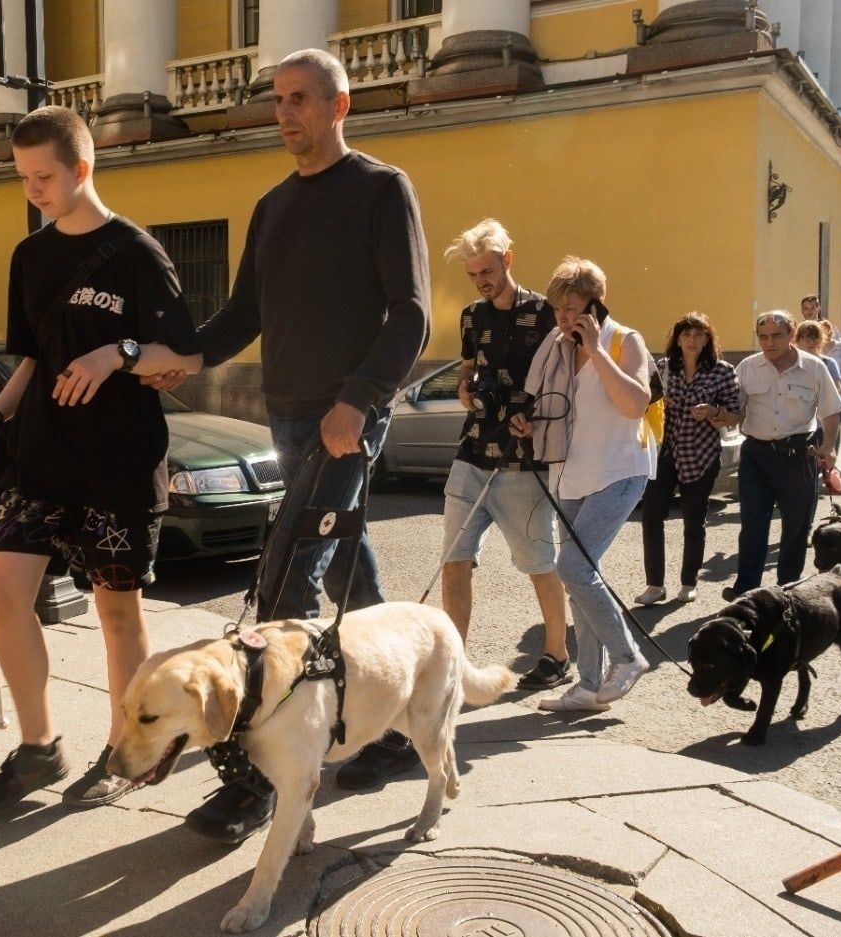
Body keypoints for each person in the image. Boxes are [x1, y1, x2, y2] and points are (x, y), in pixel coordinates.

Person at [156, 49, 430, 842]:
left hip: (343, 419)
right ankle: (403, 717)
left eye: (301, 98)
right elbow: (242, 314)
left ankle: (258, 781)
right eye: (277, 100)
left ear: (340, 106)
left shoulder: (383, 189)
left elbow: (410, 315)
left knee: (283, 584)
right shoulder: (272, 206)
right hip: (286, 412)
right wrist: (183, 357)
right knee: (348, 560)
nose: (286, 113)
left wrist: (355, 402)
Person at [0, 105, 202, 812]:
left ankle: (127, 750)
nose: (33, 190)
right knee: (4, 586)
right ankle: (39, 748)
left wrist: (119, 352)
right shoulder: (28, 257)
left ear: (82, 168)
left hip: (116, 461)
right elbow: (31, 358)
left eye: (44, 176)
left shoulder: (136, 251)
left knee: (116, 612)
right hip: (40, 455)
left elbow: (184, 354)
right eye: (23, 178)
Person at [511, 257, 656, 713]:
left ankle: (628, 657)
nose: (566, 319)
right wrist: (528, 425)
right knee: (579, 576)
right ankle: (590, 685)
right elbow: (553, 410)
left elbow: (635, 404)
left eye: (574, 308)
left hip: (619, 469)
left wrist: (595, 350)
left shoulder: (623, 340)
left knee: (572, 568)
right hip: (569, 473)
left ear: (597, 304)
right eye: (559, 310)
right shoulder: (554, 347)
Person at [439, 220, 570, 690]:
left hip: (523, 461)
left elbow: (565, 383)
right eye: (473, 274)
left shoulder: (545, 313)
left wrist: (538, 422)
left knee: (538, 563)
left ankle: (556, 655)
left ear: (508, 259)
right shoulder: (472, 316)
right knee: (454, 560)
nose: (481, 281)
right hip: (472, 450)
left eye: (488, 270)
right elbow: (468, 369)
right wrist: (464, 390)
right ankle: (452, 665)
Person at [718, 311, 841, 598]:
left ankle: (788, 589)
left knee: (796, 527)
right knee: (752, 524)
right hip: (756, 457)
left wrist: (829, 447)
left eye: (776, 336)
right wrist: (718, 414)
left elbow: (831, 411)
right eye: (763, 337)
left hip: (798, 455)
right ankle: (746, 588)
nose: (769, 342)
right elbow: (735, 412)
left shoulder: (813, 368)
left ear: (791, 334)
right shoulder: (748, 367)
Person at [636, 313, 739, 605]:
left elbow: (735, 415)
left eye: (698, 335)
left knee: (694, 522)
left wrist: (713, 413)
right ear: (677, 339)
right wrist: (658, 402)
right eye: (686, 335)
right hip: (665, 452)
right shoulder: (664, 368)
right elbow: (641, 402)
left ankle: (687, 582)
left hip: (701, 454)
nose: (692, 341)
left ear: (707, 339)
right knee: (651, 516)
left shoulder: (722, 371)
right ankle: (655, 585)